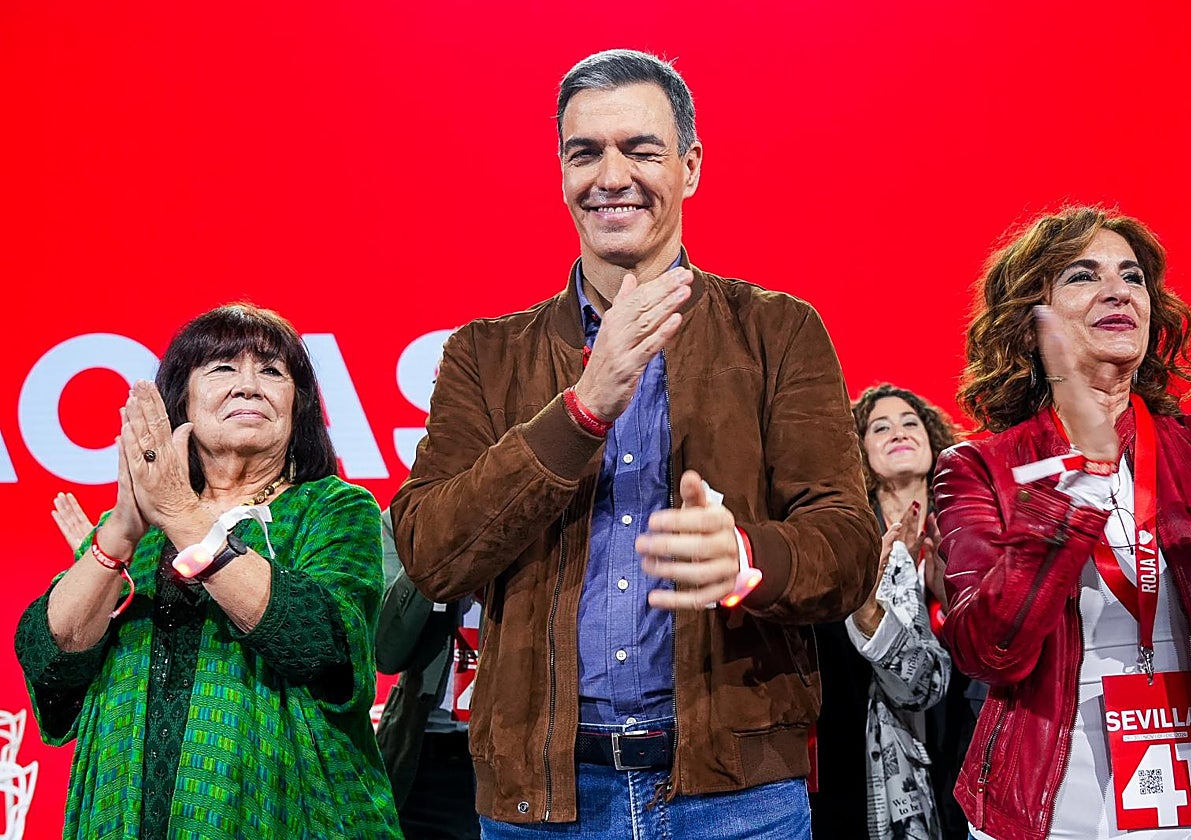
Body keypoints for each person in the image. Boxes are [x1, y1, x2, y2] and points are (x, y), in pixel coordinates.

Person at [390, 48, 878, 839]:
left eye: (640, 150)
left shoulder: (779, 329)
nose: (610, 176)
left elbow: (850, 546)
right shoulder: (485, 352)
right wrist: (582, 410)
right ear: (560, 173)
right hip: (542, 802)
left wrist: (749, 559)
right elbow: (430, 552)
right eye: (585, 153)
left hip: (736, 799)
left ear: (689, 167)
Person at [15, 304, 402, 839]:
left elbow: (322, 643)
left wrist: (181, 515)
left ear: (299, 406)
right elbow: (50, 658)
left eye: (271, 372)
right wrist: (123, 532)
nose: (249, 386)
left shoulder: (333, 509)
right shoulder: (130, 530)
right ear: (183, 401)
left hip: (291, 815)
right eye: (222, 369)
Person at [934, 207, 1191, 840]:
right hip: (1051, 801)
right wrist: (1066, 498)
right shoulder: (979, 467)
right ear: (1031, 327)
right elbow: (985, 650)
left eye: (1133, 277)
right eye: (1084, 275)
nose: (1118, 291)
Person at [840, 384, 981, 840]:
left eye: (909, 422)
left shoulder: (970, 528)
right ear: (860, 451)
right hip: (867, 764)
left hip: (964, 749)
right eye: (879, 427)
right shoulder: (849, 540)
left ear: (933, 438)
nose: (898, 432)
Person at [376, 511, 481, 839]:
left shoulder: (539, 511)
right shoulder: (404, 519)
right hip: (425, 748)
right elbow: (386, 653)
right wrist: (431, 552)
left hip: (518, 751)